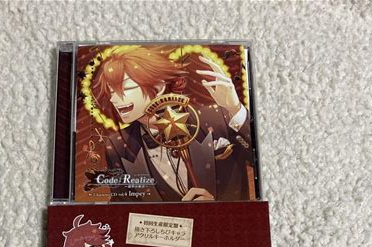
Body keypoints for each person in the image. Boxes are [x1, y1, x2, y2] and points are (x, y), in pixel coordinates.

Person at [93, 46, 253, 202]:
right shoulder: (118, 146)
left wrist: (234, 108)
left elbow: (258, 161)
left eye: (126, 88)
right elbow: (123, 203)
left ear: (158, 87)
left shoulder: (216, 118)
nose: (114, 99)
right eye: (111, 92)